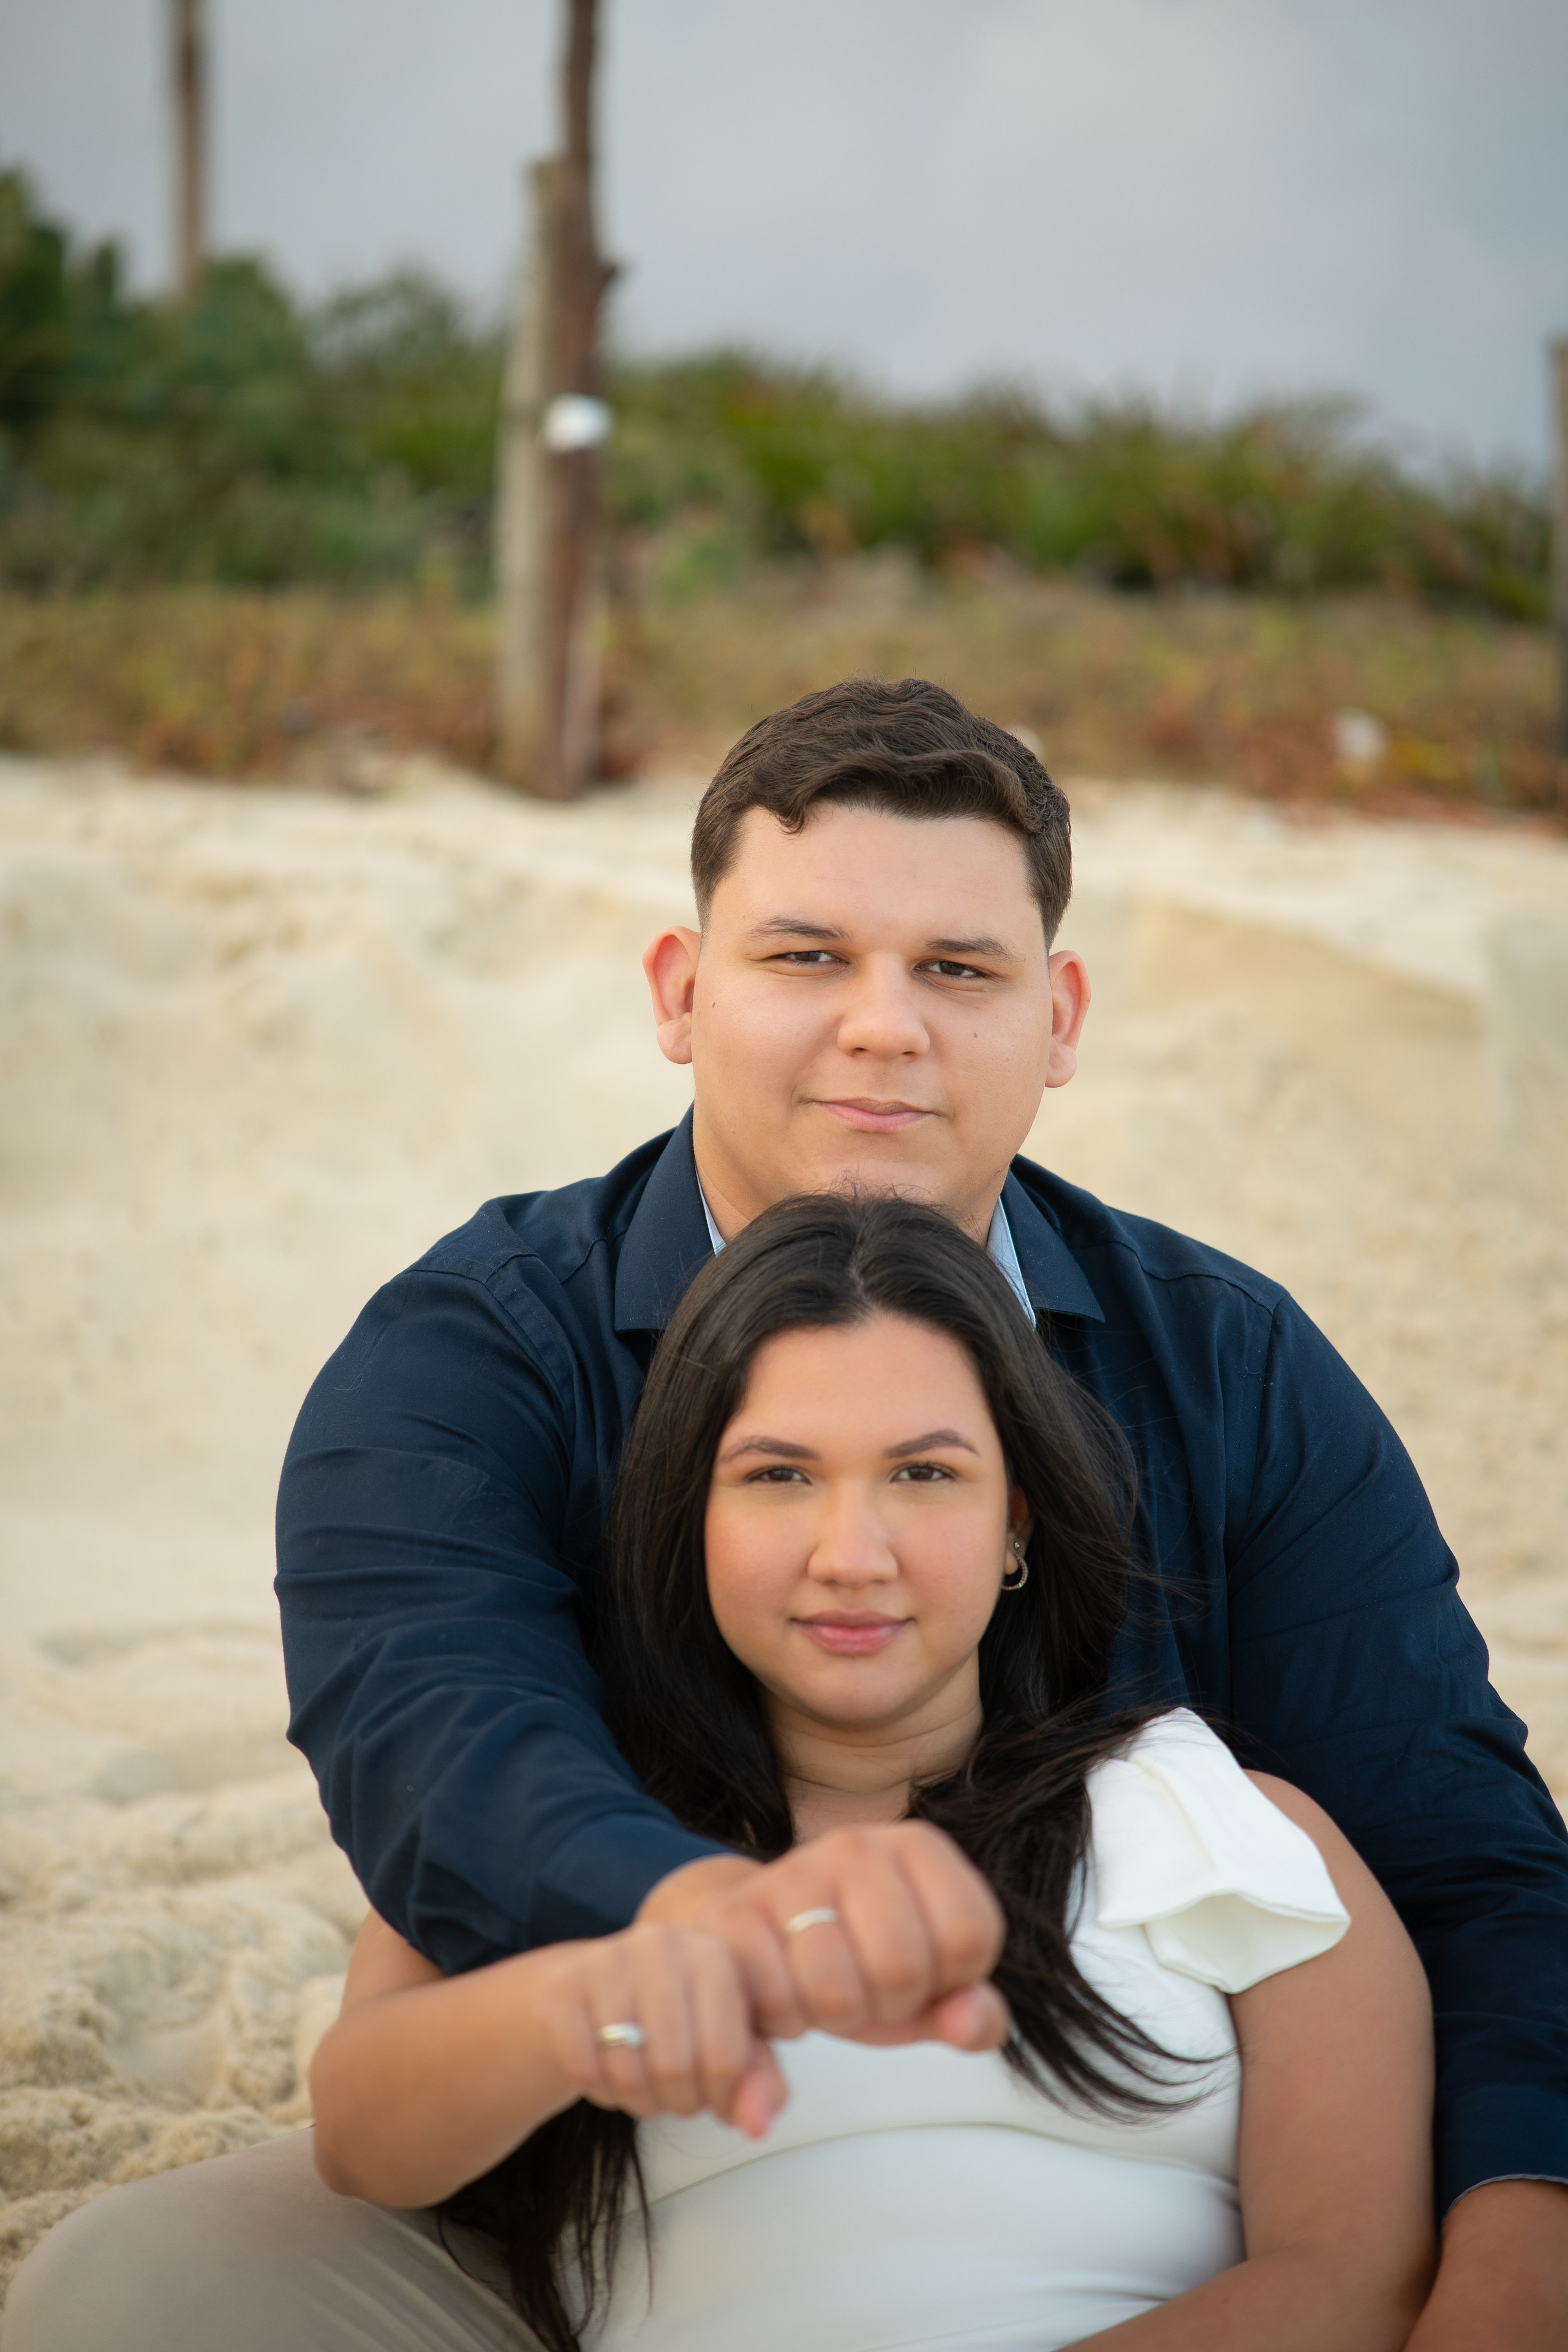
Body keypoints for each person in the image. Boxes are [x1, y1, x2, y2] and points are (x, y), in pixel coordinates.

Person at [6, 677, 1566, 2349]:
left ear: (1061, 1016)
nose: (883, 1026)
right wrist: (696, 1925)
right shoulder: (477, 1353)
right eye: (807, 956)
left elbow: (1459, 1858)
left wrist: (1512, 2275)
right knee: (141, 2283)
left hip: (1157, 2213)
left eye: (958, 969)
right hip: (609, 2173)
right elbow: (434, 1737)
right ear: (683, 993)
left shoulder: (1227, 1365)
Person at [307, 1196, 1436, 2352]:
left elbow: (1351, 2279)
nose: (852, 1557)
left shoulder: (1213, 1816)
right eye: (779, 1477)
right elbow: (361, 2137)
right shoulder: (581, 1847)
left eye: (925, 1476)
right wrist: (600, 1995)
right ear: (690, 1519)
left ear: (1018, 1526)